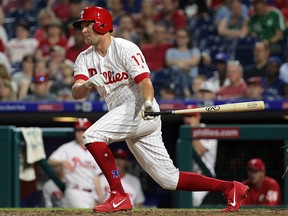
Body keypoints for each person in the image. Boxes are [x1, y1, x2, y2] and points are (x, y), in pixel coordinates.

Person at [71, 6, 249, 213]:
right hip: (124, 115)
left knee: (92, 135)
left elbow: (145, 81)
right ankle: (230, 188)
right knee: (168, 179)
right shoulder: (84, 58)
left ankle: (118, 195)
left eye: (87, 25)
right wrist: (87, 85)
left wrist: (147, 102)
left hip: (141, 109)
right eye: (82, 26)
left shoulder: (125, 48)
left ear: (102, 24)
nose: (83, 30)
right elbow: (77, 93)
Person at [48, 118, 102, 208]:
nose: (80, 133)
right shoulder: (67, 148)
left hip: (91, 194)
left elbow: (96, 177)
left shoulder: (94, 150)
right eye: (78, 130)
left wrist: (100, 197)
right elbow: (50, 162)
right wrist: (62, 162)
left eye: (83, 130)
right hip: (75, 191)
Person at [183, 105, 218, 207]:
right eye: (186, 116)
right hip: (191, 175)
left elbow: (199, 151)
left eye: (191, 116)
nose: (188, 119)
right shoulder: (184, 132)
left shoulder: (208, 131)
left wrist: (191, 131)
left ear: (198, 117)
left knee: (193, 199)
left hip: (206, 175)